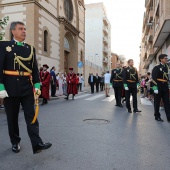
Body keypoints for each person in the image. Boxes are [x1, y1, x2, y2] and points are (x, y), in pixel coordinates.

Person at [0, 21, 52, 154]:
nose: (24, 31)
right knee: (12, 118)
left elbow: (34, 70)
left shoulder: (30, 49)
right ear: (13, 31)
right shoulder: (4, 46)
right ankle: (15, 141)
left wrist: (37, 85)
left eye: (25, 28)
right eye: (20, 29)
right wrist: (1, 87)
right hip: (10, 87)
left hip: (26, 88)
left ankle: (37, 144)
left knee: (32, 116)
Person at [152, 54, 170, 122]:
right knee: (157, 102)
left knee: (167, 102)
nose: (166, 59)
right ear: (161, 59)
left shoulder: (167, 67)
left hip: (165, 86)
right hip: (158, 86)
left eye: (166, 58)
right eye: (165, 58)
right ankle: (157, 116)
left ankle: (169, 117)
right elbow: (153, 79)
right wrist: (155, 88)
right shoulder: (156, 67)